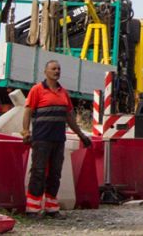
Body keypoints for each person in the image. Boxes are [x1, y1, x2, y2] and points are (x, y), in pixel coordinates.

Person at [19, 59, 92, 217]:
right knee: (38, 171)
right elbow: (27, 112)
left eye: (58, 69)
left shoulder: (63, 92)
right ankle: (33, 208)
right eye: (53, 69)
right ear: (45, 72)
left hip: (58, 140)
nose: (57, 71)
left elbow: (69, 117)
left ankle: (52, 208)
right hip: (41, 139)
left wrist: (81, 135)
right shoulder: (37, 90)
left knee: (55, 173)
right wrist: (25, 132)